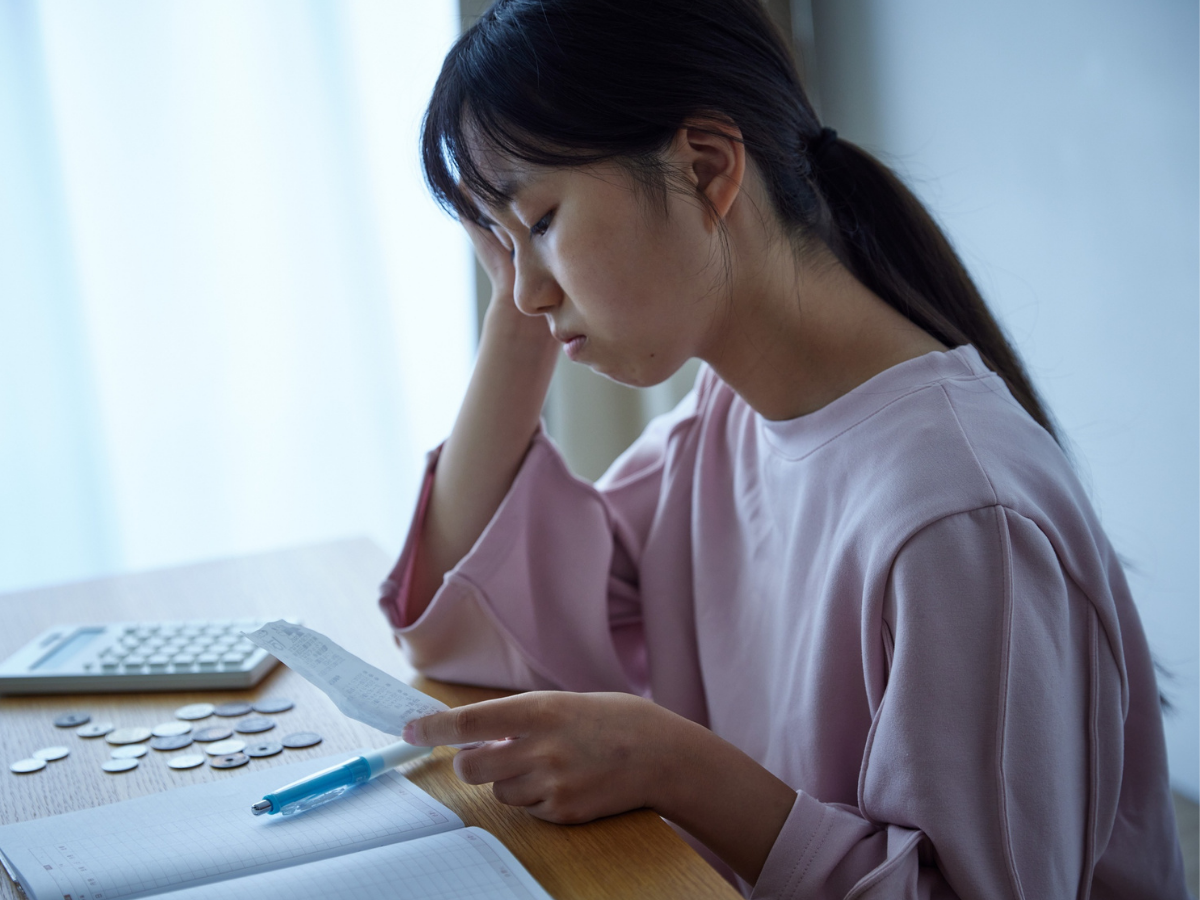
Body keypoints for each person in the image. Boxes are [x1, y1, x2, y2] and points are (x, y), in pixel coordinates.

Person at [378, 0, 1188, 896]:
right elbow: (470, 615)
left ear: (708, 167)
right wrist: (522, 299)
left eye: (540, 221)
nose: (524, 292)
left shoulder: (959, 513)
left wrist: (675, 766)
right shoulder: (733, 413)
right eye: (499, 244)